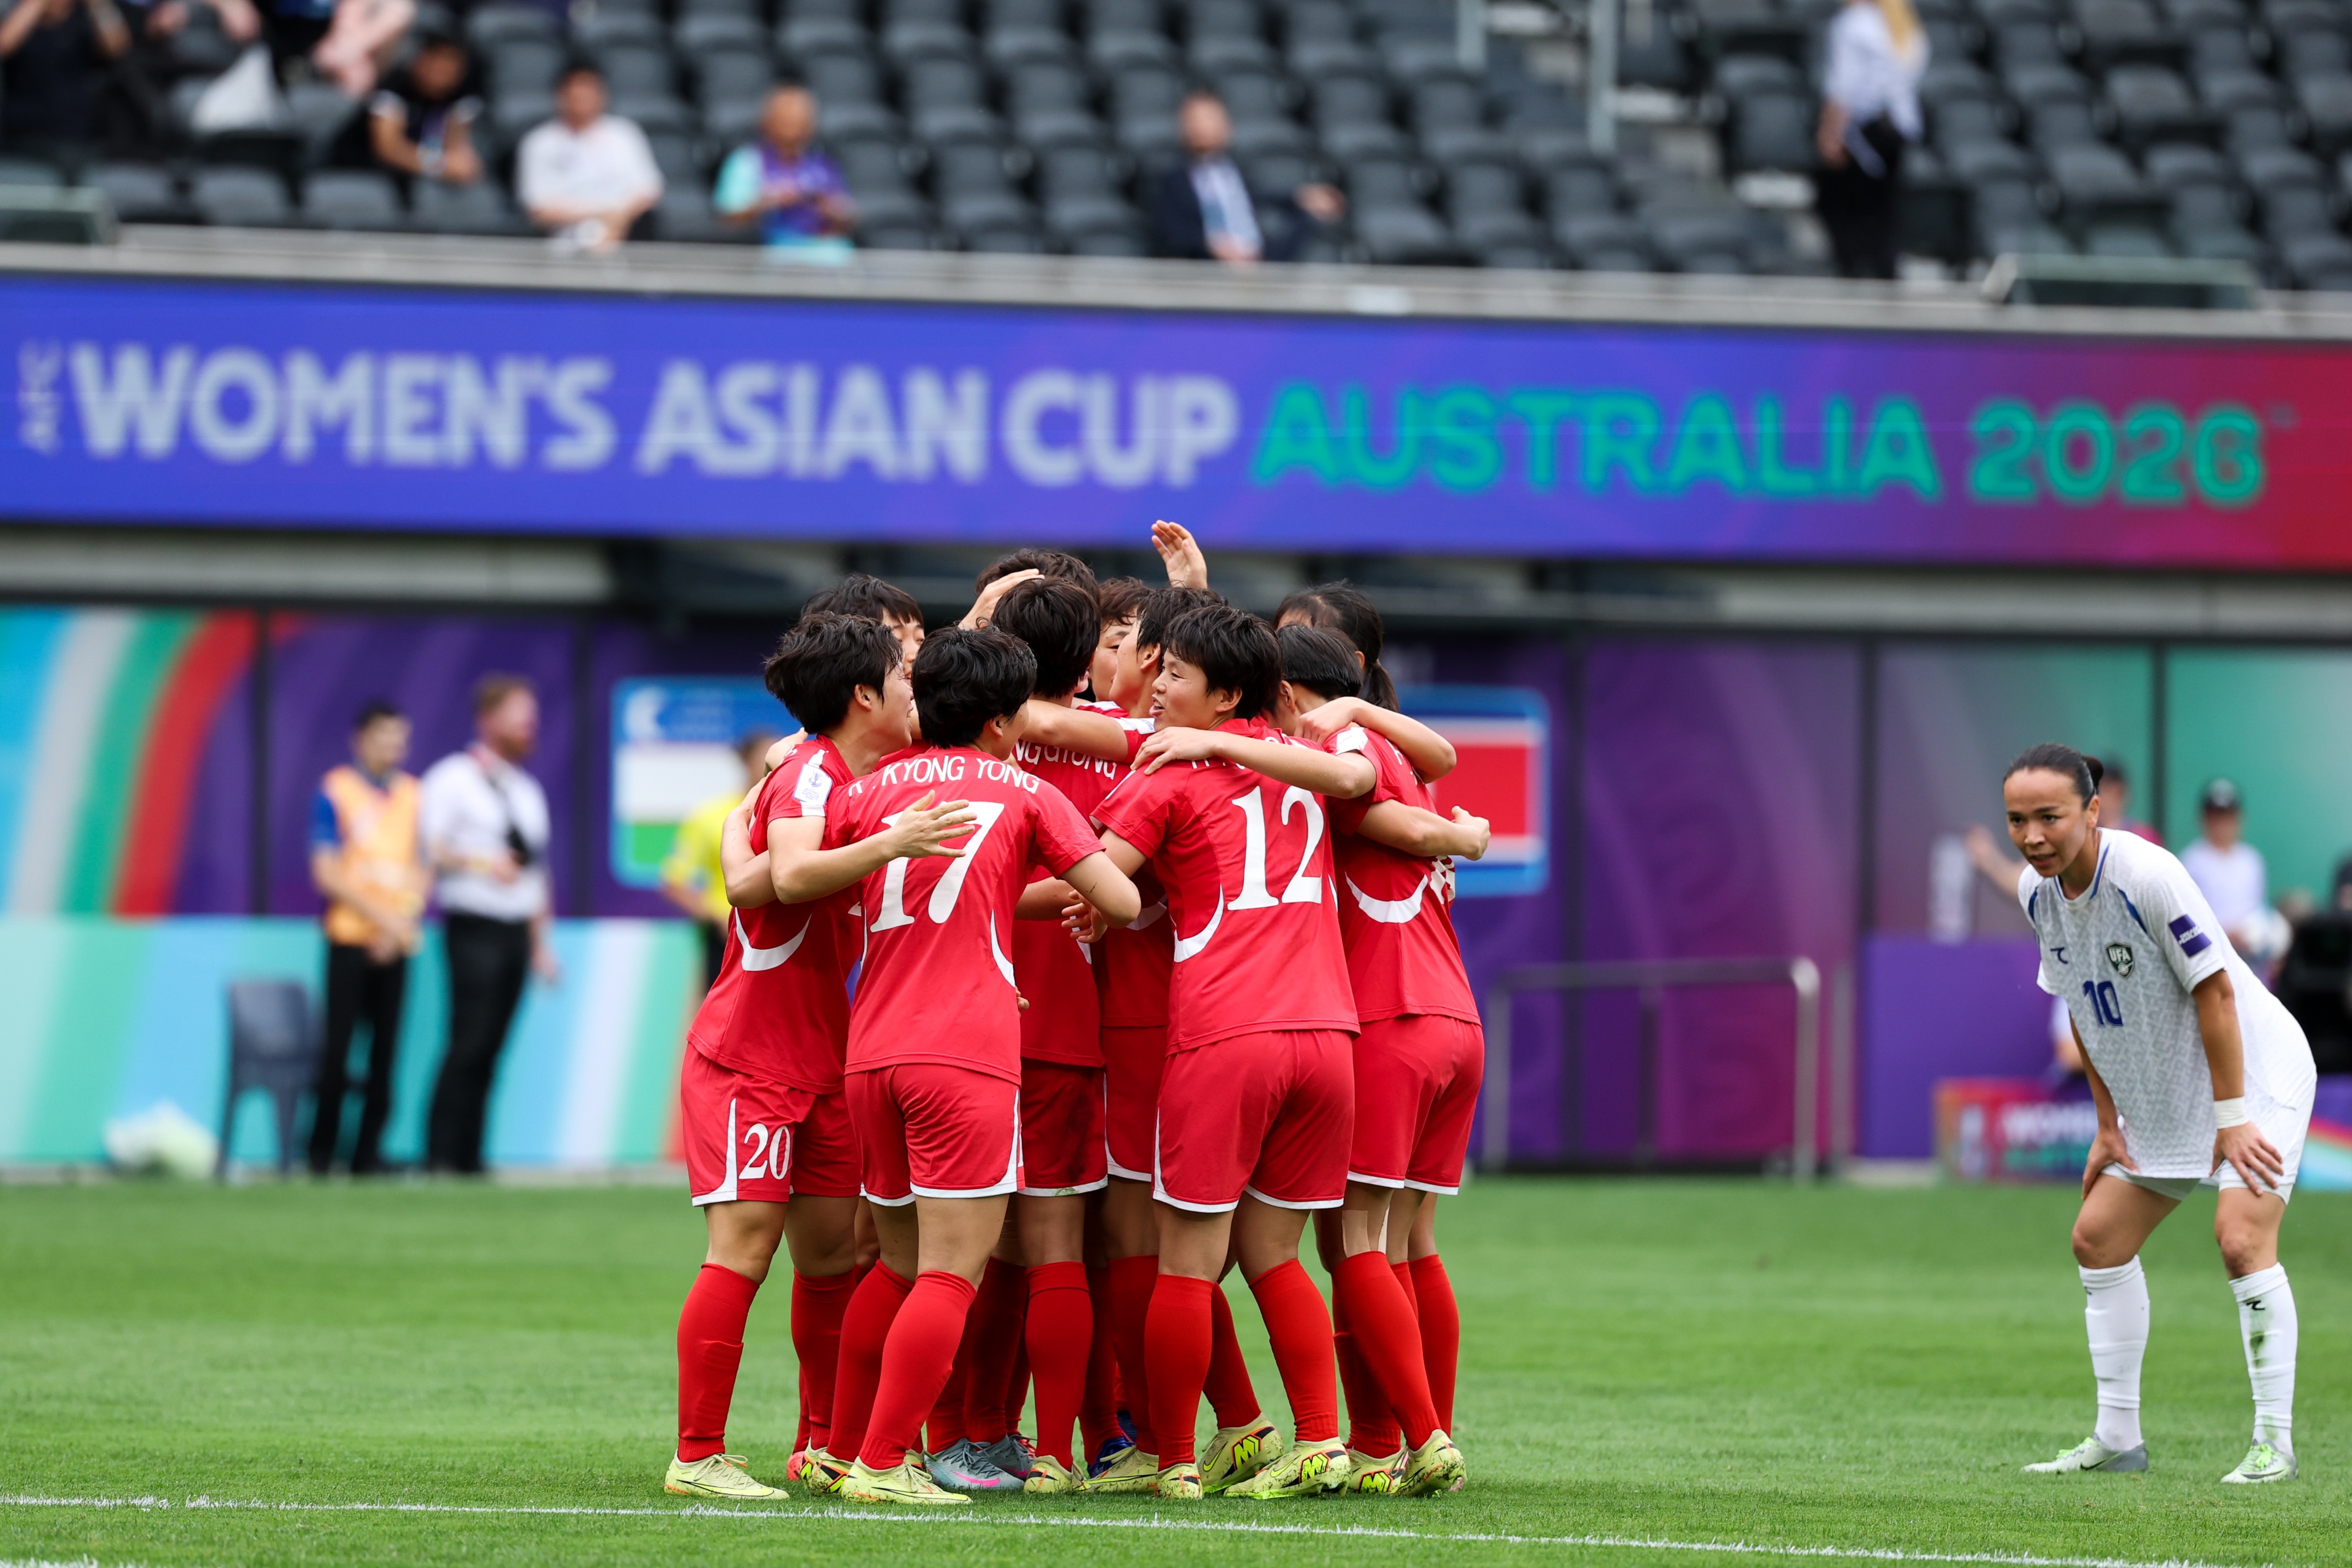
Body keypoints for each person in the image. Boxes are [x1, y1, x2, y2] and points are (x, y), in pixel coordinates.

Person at [777, 627, 1140, 1507]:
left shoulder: (869, 790)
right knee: (951, 1270)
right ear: (1005, 717)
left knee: (895, 1266)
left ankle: (840, 1444)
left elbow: (811, 869)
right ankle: (883, 1462)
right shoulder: (1024, 790)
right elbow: (1122, 898)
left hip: (874, 1050)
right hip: (966, 1052)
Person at [2002, 744, 2316, 1485]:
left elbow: (2216, 993)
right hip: (2166, 1089)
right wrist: (2108, 1124)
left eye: (2049, 817)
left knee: (2240, 1240)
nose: (2033, 835)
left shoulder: (2148, 873)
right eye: (2017, 820)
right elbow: (2080, 1000)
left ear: (2091, 811)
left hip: (2256, 1074)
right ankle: (2118, 1440)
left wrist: (2233, 1118)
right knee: (2096, 1239)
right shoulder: (2033, 892)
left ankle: (2275, 1446)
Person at [660, 614, 914, 1502]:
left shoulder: (851, 776)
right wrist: (892, 842)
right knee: (743, 1249)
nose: (915, 690)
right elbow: (796, 874)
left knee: (830, 1259)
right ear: (864, 694)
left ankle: (820, 1443)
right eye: (904, 672)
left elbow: (761, 875)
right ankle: (697, 1453)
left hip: (832, 1062)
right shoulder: (807, 773)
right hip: (753, 1059)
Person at [1276, 625, 1489, 1492]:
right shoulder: (1402, 753)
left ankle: (1424, 1435)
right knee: (1400, 1241)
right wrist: (1462, 831)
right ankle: (1386, 1443)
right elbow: (1433, 772)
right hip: (1455, 1020)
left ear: (1293, 696)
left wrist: (1464, 838)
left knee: (1354, 1241)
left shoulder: (1340, 762)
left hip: (1387, 1018)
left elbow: (1381, 812)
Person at [419, 673, 559, 1175]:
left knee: (494, 1044)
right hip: (473, 924)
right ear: (489, 719)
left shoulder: (527, 789)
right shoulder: (451, 778)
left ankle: (470, 1157)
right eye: (520, 715)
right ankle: (438, 1154)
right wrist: (483, 863)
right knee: (468, 1039)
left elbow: (538, 872)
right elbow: (430, 849)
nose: (529, 726)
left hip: (516, 931)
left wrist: (541, 944)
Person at [306, 699, 426, 1177]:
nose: (394, 747)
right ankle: (320, 1152)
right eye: (385, 736)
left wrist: (402, 926)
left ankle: (367, 1155)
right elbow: (327, 874)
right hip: (350, 938)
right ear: (361, 738)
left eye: (401, 737)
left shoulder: (414, 795)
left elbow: (421, 870)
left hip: (395, 944)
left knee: (386, 1052)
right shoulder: (336, 790)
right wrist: (385, 921)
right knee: (337, 1049)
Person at [1145, 89, 1344, 265]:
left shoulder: (1237, 173)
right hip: (1209, 268)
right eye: (1196, 119)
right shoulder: (1172, 180)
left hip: (1259, 263)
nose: (1202, 127)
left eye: (1210, 118)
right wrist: (1214, 246)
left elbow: (1260, 199)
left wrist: (1302, 198)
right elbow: (1171, 231)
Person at [1813, 0, 1926, 280]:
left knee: (1840, 204)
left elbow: (1844, 85)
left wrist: (1830, 133)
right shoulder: (1902, 23)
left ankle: (1856, 270)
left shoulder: (1854, 23)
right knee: (1884, 207)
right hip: (1897, 128)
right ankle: (1884, 270)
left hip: (1864, 131)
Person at [661, 731, 778, 993]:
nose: (777, 767)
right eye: (767, 758)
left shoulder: (796, 816)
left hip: (779, 935)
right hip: (726, 938)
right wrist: (717, 919)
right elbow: (674, 881)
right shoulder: (712, 815)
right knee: (721, 1021)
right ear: (745, 762)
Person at [516, 61, 663, 254]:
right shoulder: (539, 142)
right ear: (560, 96)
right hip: (564, 244)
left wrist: (617, 224)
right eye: (575, 93)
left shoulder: (625, 134)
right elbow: (538, 209)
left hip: (625, 236)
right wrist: (600, 217)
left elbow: (649, 190)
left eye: (589, 91)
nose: (582, 99)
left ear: (603, 95)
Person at [714, 82, 856, 262]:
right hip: (768, 251)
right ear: (767, 122)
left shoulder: (822, 164)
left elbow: (849, 215)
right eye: (787, 120)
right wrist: (769, 201)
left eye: (801, 120)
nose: (794, 128)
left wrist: (829, 208)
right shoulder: (746, 162)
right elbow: (727, 218)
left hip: (825, 252)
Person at [0, 0, 132, 155]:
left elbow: (117, 48)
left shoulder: (86, 16)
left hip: (76, 137)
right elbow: (4, 45)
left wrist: (98, 4)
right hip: (22, 136)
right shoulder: (17, 11)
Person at [2181, 779, 2286, 968]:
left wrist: (2255, 935)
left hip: (2250, 958)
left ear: (2239, 818)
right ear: (2204, 818)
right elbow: (2187, 917)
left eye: (2228, 816)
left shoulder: (2252, 860)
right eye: (2216, 816)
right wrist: (2225, 933)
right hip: (2208, 957)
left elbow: (2259, 911)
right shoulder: (2191, 861)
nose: (2222, 824)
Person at [369, 29, 482, 190]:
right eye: (438, 63)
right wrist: (440, 165)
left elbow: (456, 146)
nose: (444, 72)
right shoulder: (393, 88)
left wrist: (466, 162)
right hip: (374, 172)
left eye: (452, 65)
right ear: (421, 60)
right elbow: (388, 149)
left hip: (423, 178)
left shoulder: (462, 95)